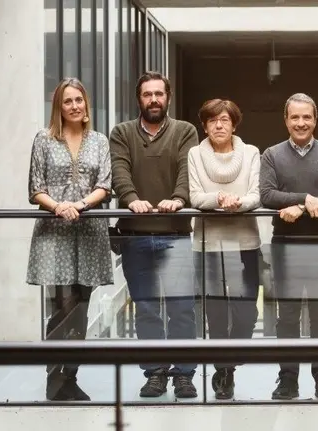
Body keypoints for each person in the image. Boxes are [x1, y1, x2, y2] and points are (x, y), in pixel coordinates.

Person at [109, 71, 199, 399]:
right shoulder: (121, 133)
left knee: (182, 308)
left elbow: (188, 169)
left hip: (175, 234)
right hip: (135, 235)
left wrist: (177, 199)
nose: (154, 100)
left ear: (168, 97)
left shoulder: (184, 131)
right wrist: (132, 200)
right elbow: (119, 170)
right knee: (146, 309)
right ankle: (155, 373)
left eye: (159, 94)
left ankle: (185, 374)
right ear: (139, 99)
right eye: (147, 94)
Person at [26, 78, 113, 401]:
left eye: (79, 100)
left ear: (86, 104)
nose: (74, 106)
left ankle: (70, 375)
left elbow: (105, 184)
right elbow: (36, 188)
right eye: (67, 101)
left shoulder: (100, 141)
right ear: (58, 108)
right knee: (61, 306)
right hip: (55, 235)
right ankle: (55, 378)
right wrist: (58, 206)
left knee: (81, 307)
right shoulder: (44, 140)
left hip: (89, 232)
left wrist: (81, 204)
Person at [260, 93, 318, 400]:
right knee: (287, 316)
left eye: (306, 117)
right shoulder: (271, 154)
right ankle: (287, 379)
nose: (300, 123)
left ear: (315, 119)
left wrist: (308, 204)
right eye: (294, 117)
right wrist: (303, 199)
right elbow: (267, 195)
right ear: (286, 120)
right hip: (285, 245)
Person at [187, 99, 261, 400]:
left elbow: (256, 195)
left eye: (225, 120)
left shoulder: (252, 152)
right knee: (214, 312)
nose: (219, 125)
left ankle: (232, 357)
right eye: (213, 120)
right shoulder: (194, 154)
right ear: (204, 125)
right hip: (207, 245)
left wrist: (238, 204)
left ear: (234, 124)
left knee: (246, 312)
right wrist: (220, 200)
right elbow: (194, 196)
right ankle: (223, 370)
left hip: (245, 243)